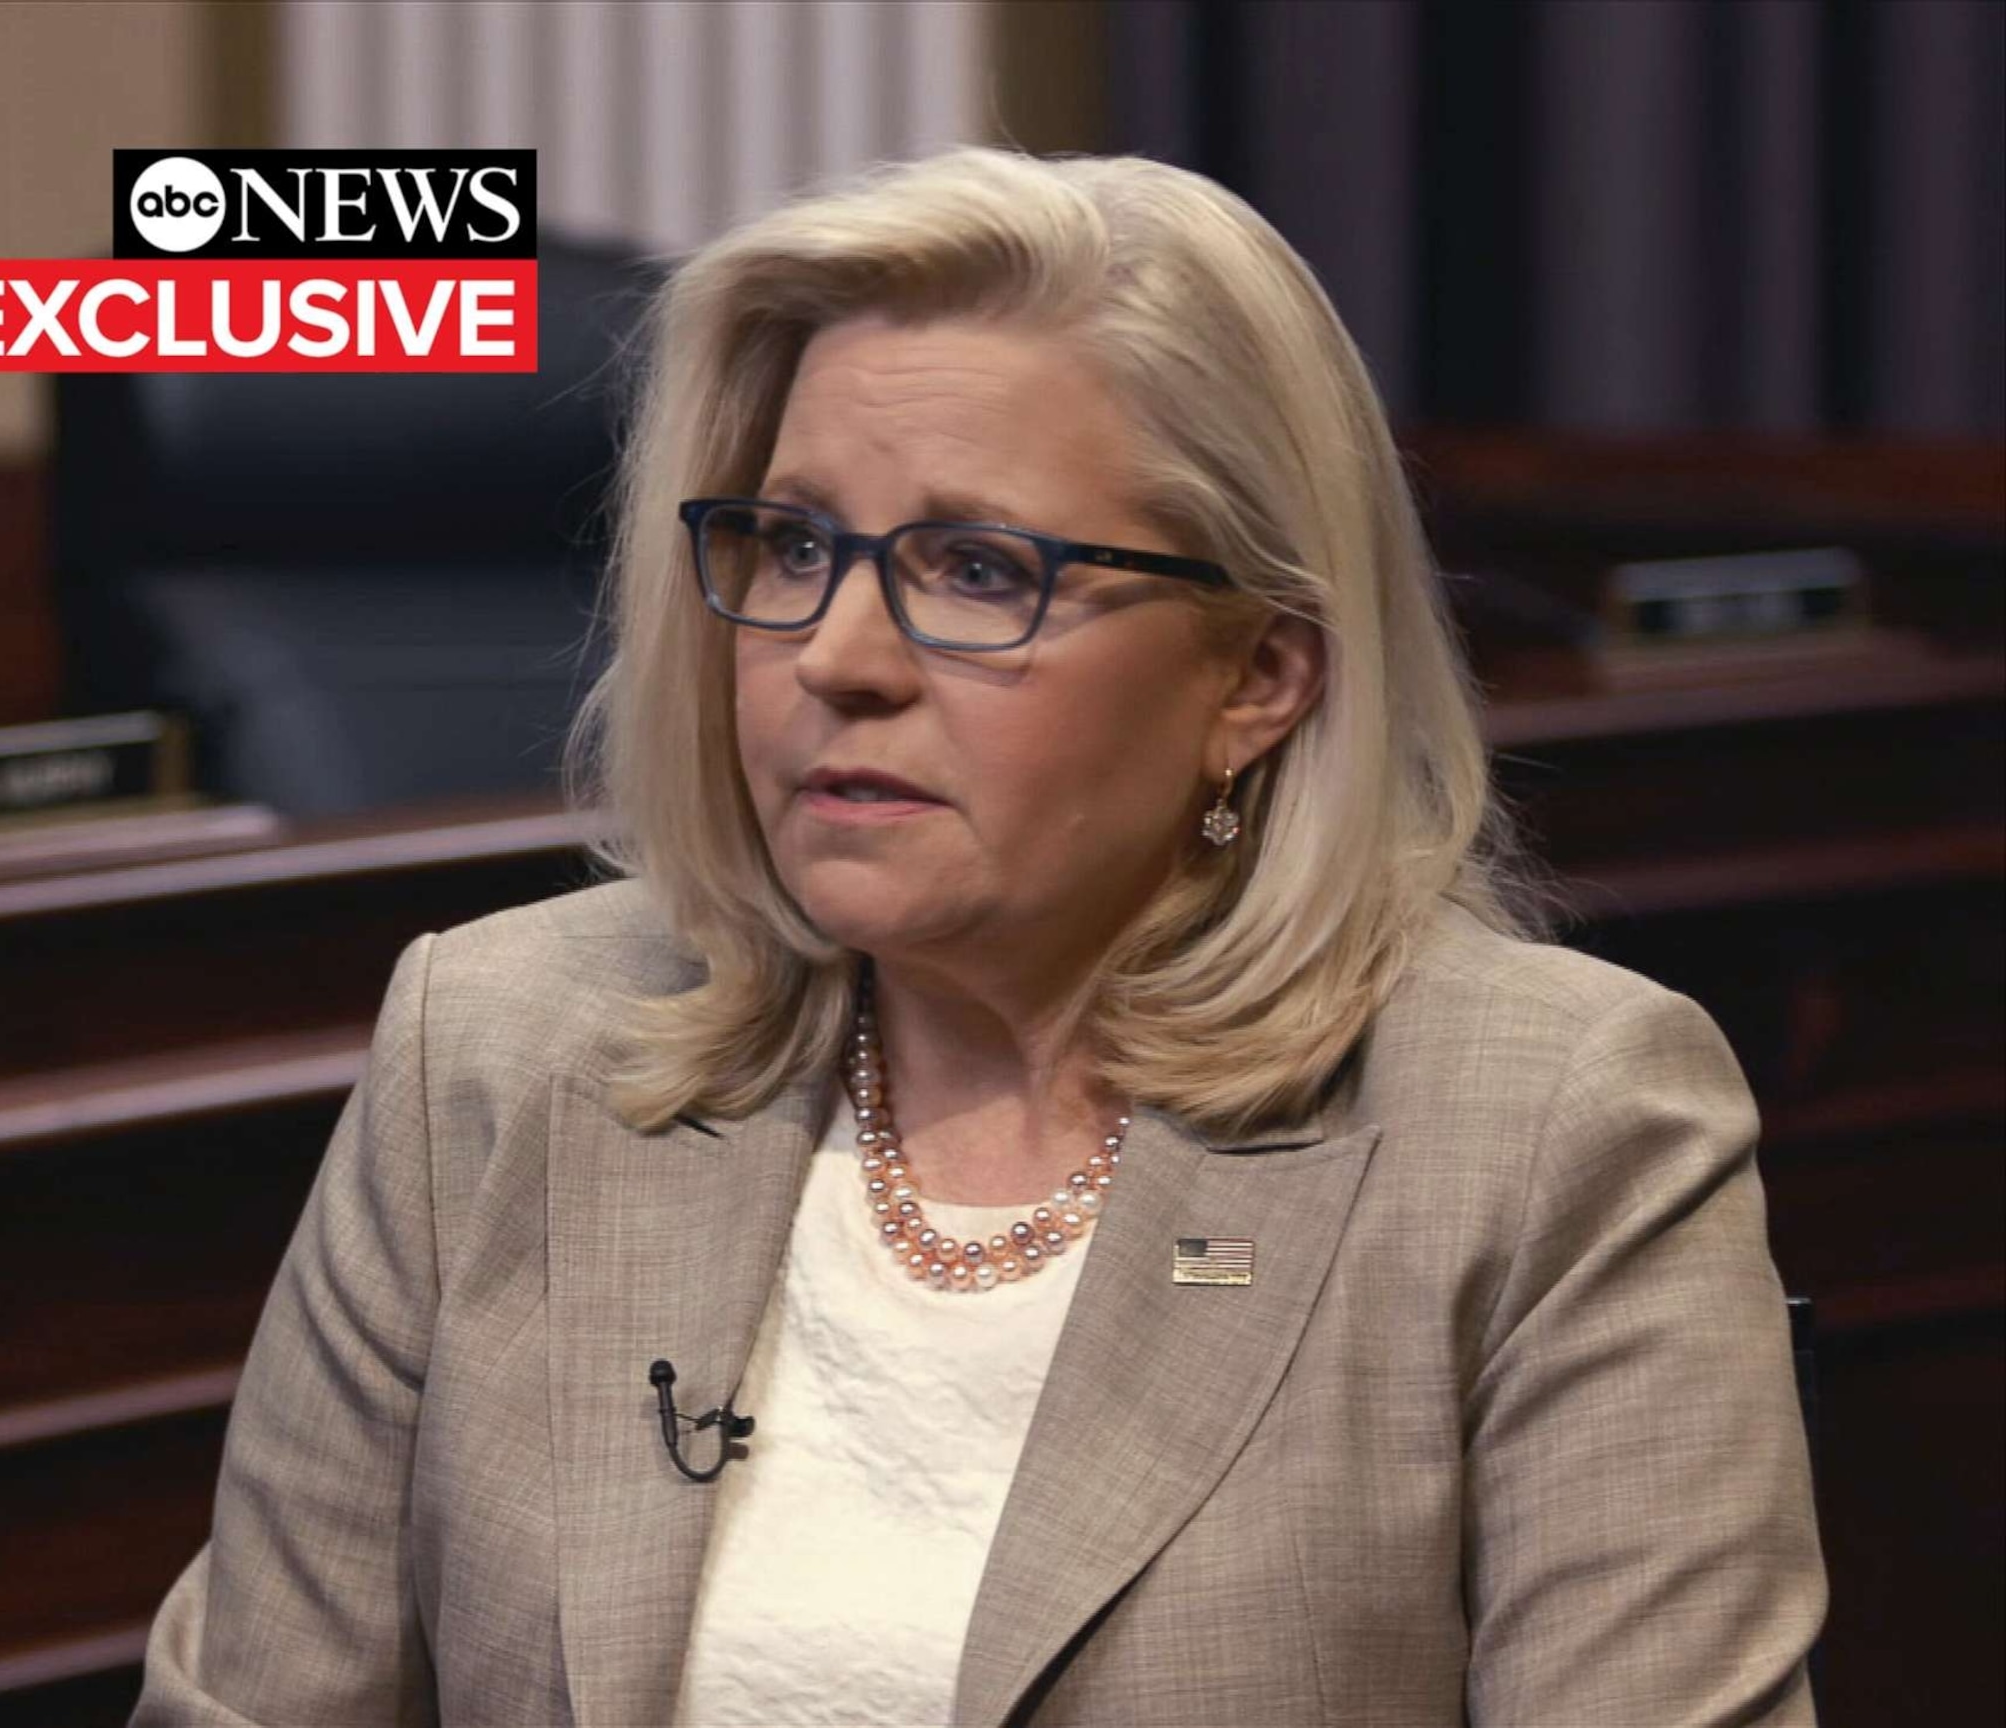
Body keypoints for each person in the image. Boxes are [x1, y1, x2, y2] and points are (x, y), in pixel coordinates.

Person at [130, 146, 1824, 1727]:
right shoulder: (492, 1046)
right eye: (793, 544)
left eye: (974, 567)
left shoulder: (1552, 1128)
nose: (841, 656)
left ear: (1259, 675)